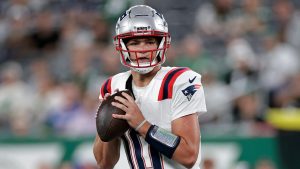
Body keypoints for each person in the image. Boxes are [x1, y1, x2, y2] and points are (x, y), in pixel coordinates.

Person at [93, 5, 207, 169]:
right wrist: (110, 128)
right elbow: (104, 163)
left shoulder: (180, 80)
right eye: (135, 42)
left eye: (149, 41)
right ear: (122, 45)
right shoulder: (113, 86)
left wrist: (142, 125)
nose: (143, 49)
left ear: (162, 42)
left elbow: (189, 155)